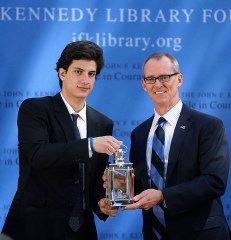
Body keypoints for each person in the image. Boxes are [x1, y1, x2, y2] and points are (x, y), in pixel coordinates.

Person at [1, 40, 122, 240]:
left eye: (91, 74)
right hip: (34, 227)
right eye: (78, 71)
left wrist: (101, 201)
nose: (86, 80)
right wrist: (90, 145)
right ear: (62, 73)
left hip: (82, 230)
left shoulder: (102, 123)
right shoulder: (35, 109)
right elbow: (38, 155)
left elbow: (91, 179)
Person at [122, 52, 230, 239]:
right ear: (143, 84)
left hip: (201, 234)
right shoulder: (139, 134)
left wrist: (163, 195)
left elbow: (214, 182)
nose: (157, 84)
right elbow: (141, 187)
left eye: (164, 77)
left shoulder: (208, 126)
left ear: (179, 79)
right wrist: (117, 189)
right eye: (151, 79)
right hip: (155, 234)